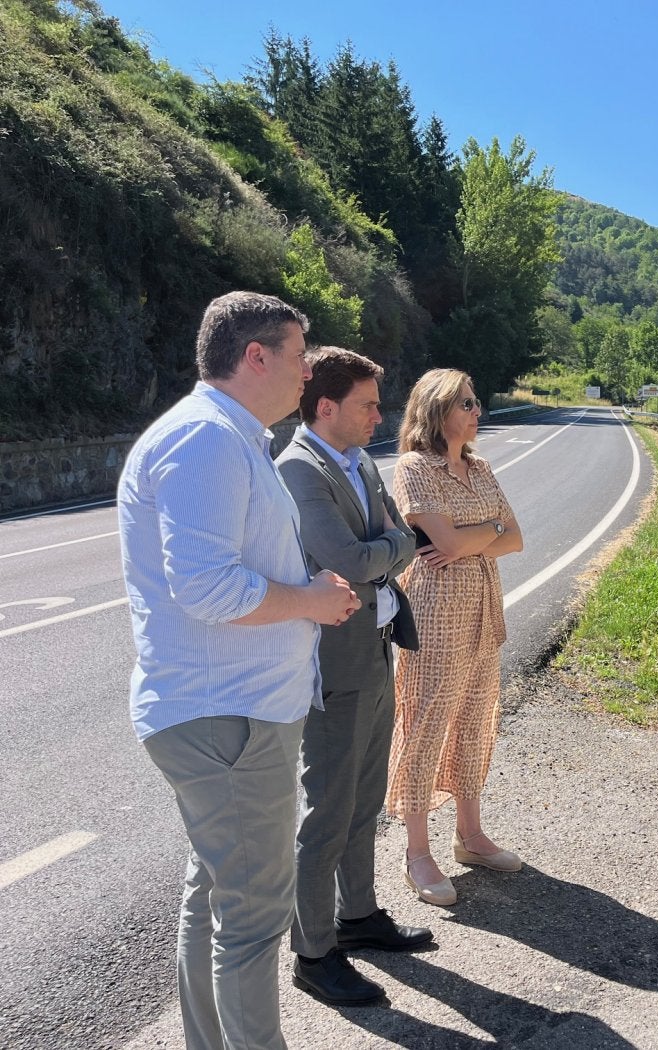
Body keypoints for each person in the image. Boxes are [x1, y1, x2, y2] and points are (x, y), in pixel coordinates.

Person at [117, 291, 360, 1050]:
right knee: (254, 916)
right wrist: (311, 601)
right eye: (299, 356)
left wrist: (307, 596)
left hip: (229, 711)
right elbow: (208, 588)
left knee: (215, 895)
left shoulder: (226, 435)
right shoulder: (207, 439)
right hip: (229, 715)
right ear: (255, 356)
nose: (308, 372)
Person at [275, 347, 432, 1006]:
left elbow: (396, 541)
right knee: (328, 812)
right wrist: (394, 544)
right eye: (367, 405)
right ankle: (313, 953)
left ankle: (358, 915)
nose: (379, 416)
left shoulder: (359, 460)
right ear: (326, 406)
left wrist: (389, 545)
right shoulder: (298, 469)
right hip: (333, 663)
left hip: (375, 648)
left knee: (364, 800)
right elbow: (354, 558)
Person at [388, 368, 524, 907]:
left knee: (474, 718)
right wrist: (487, 531)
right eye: (466, 403)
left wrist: (476, 538)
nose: (476, 411)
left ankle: (470, 836)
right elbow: (442, 541)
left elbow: (515, 539)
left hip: (483, 608)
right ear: (437, 410)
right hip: (436, 612)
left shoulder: (481, 467)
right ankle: (417, 853)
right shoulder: (414, 467)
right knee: (425, 725)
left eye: (476, 401)